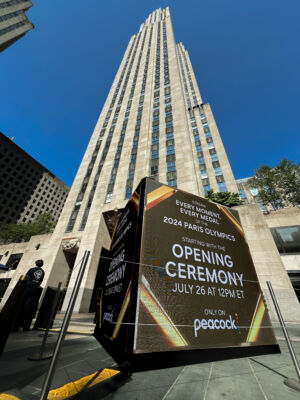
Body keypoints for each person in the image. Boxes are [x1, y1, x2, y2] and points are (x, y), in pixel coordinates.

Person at [17, 259, 45, 331]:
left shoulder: (32, 270)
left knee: (22, 304)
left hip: (27, 288)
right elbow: (40, 281)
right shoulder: (42, 272)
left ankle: (19, 321)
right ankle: (25, 322)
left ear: (36, 263)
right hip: (35, 290)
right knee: (29, 305)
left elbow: (26, 277)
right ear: (42, 264)